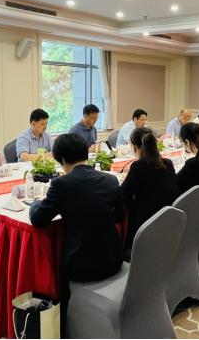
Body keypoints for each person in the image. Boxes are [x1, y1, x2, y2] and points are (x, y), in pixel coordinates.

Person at [29, 134, 125, 331]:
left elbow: (39, 220)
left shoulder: (61, 184)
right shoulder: (110, 180)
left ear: (62, 160)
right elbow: (120, 217)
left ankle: (65, 326)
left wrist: (36, 203)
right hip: (114, 258)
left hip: (82, 267)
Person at [121, 127, 180, 250]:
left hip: (147, 225)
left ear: (134, 147)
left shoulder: (138, 167)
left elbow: (122, 193)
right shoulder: (168, 164)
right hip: (170, 221)